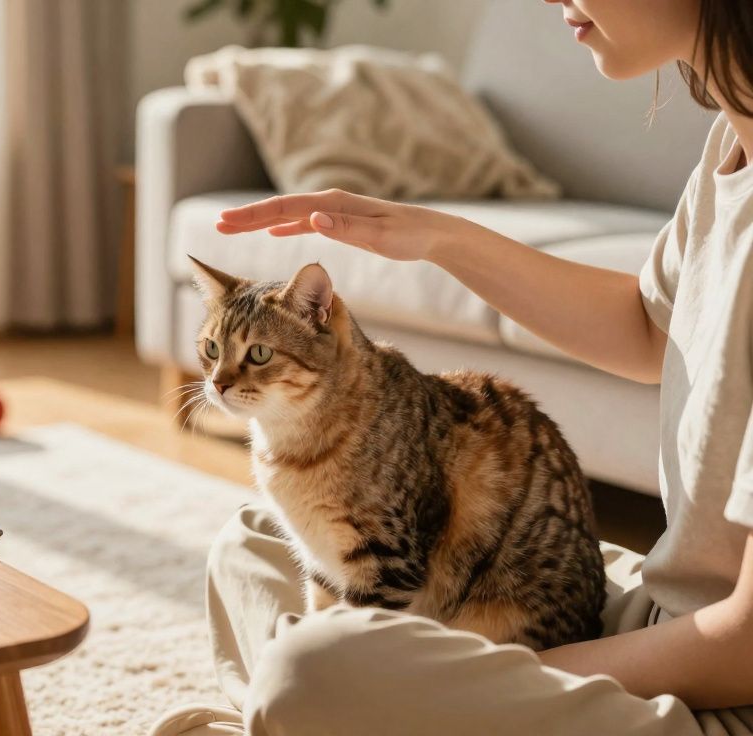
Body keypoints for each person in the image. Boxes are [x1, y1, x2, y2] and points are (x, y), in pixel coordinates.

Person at [151, 1, 753, 734]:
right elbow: (647, 330)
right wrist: (436, 234)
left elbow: (746, 649)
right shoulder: (731, 142)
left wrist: (472, 678)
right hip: (662, 617)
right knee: (252, 546)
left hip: (718, 697)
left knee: (315, 669)